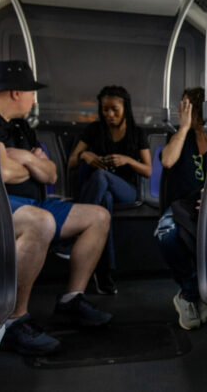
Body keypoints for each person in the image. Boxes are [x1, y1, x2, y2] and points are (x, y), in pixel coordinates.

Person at [0, 60, 112, 356]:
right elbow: (0, 173)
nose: (33, 100)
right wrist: (29, 163)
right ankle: (12, 320)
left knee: (98, 216)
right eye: (31, 93)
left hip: (33, 201)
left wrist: (23, 157)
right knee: (41, 223)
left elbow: (51, 173)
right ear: (15, 92)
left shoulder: (20, 125)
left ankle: (71, 299)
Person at [154, 87, 207, 330]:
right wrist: (182, 128)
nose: (181, 111)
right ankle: (192, 293)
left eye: (185, 106)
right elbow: (168, 160)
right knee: (166, 234)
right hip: (183, 205)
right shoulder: (183, 137)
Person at [67, 86, 151, 294]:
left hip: (127, 190)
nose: (109, 115)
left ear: (125, 108)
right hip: (100, 192)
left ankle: (76, 229)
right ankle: (105, 274)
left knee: (101, 176)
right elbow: (71, 163)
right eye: (105, 110)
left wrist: (128, 160)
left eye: (114, 109)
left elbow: (148, 170)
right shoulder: (94, 130)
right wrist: (85, 156)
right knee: (104, 204)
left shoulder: (137, 132)